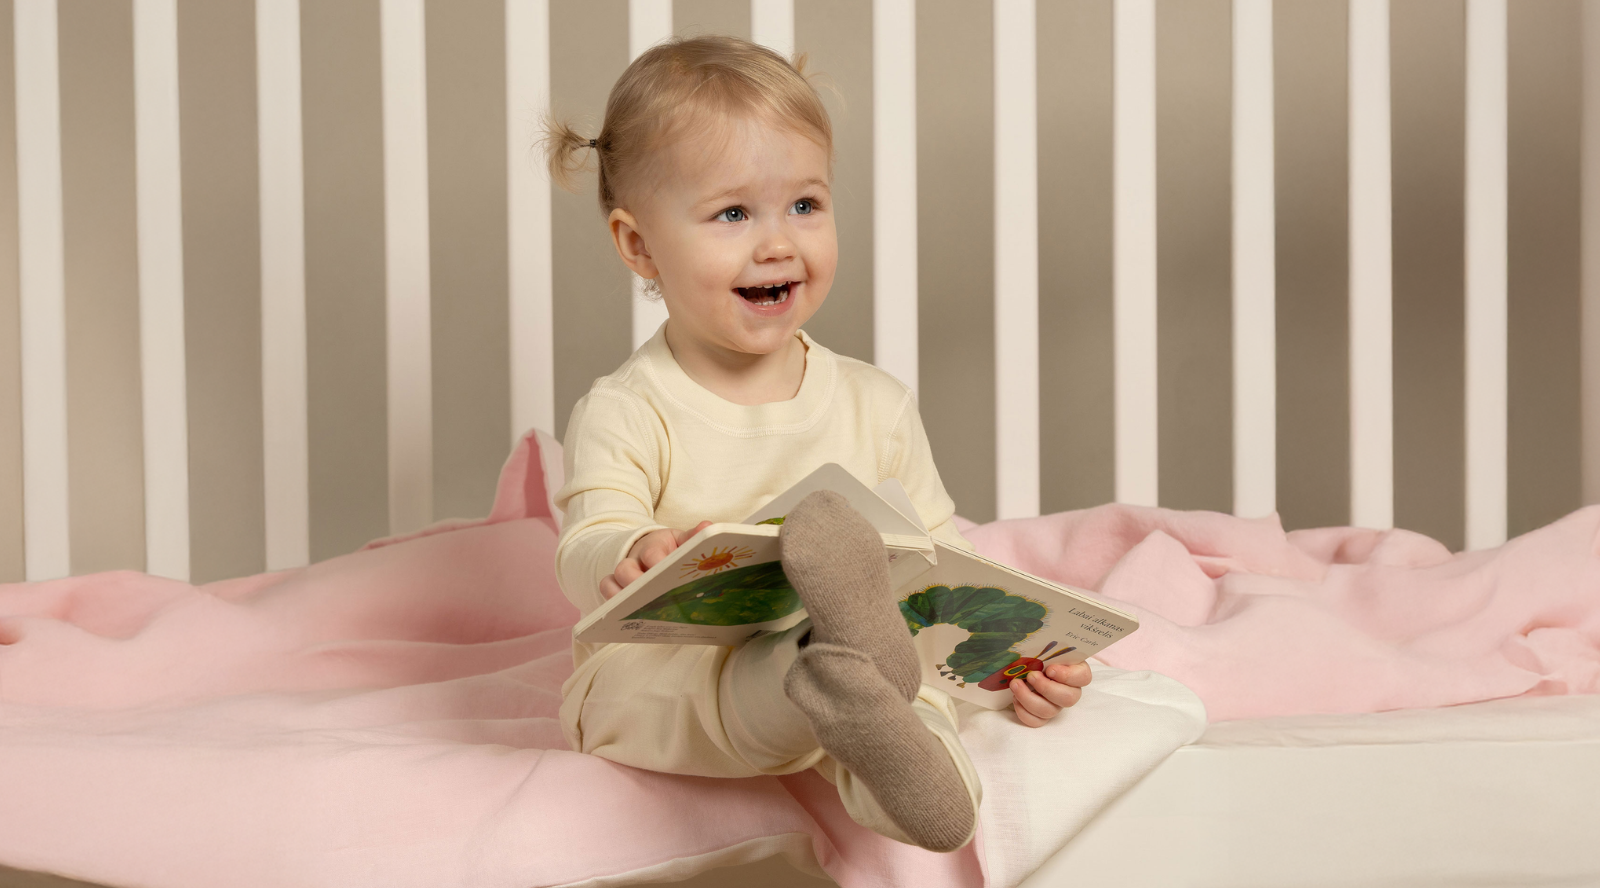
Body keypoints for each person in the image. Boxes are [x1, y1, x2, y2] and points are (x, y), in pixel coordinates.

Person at [544, 35, 1090, 853]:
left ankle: (917, 774)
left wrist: (1015, 666)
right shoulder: (629, 409)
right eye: (733, 214)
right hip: (672, 671)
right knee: (740, 689)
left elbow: (939, 562)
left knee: (910, 689)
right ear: (639, 244)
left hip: (873, 655)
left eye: (805, 205)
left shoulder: (875, 403)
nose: (778, 243)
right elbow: (585, 544)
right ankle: (829, 681)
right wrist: (629, 551)